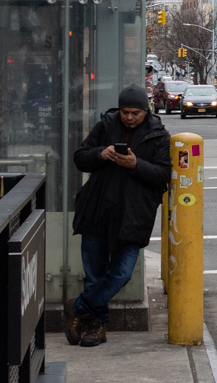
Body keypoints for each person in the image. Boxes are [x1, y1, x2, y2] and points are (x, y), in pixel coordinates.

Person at [67, 85, 171, 347]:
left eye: (135, 113)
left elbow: (163, 175)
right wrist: (101, 154)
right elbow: (80, 158)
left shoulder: (158, 135)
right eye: (125, 112)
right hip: (98, 209)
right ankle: (95, 328)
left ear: (145, 111)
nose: (129, 117)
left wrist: (136, 165)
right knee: (95, 274)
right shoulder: (105, 126)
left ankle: (78, 308)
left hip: (134, 215)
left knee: (122, 273)